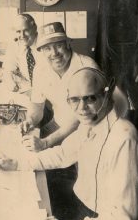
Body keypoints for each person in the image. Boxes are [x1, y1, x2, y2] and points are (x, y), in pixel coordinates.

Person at [0, 67, 138, 220]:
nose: (82, 108)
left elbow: (123, 217)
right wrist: (17, 163)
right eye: (74, 100)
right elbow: (64, 154)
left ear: (106, 96)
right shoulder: (92, 121)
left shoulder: (124, 139)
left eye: (90, 98)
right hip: (86, 209)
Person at [21, 22, 99, 152]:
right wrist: (30, 120)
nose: (54, 53)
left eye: (58, 45)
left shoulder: (87, 67)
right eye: (47, 48)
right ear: (41, 51)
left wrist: (46, 142)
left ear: (68, 43)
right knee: (27, 152)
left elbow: (81, 118)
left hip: (87, 128)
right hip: (58, 124)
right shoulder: (40, 69)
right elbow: (37, 105)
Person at [0, 13, 39, 93]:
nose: (22, 35)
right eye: (18, 31)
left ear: (34, 28)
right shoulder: (15, 44)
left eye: (26, 30)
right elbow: (8, 68)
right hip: (29, 89)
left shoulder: (45, 43)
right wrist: (10, 82)